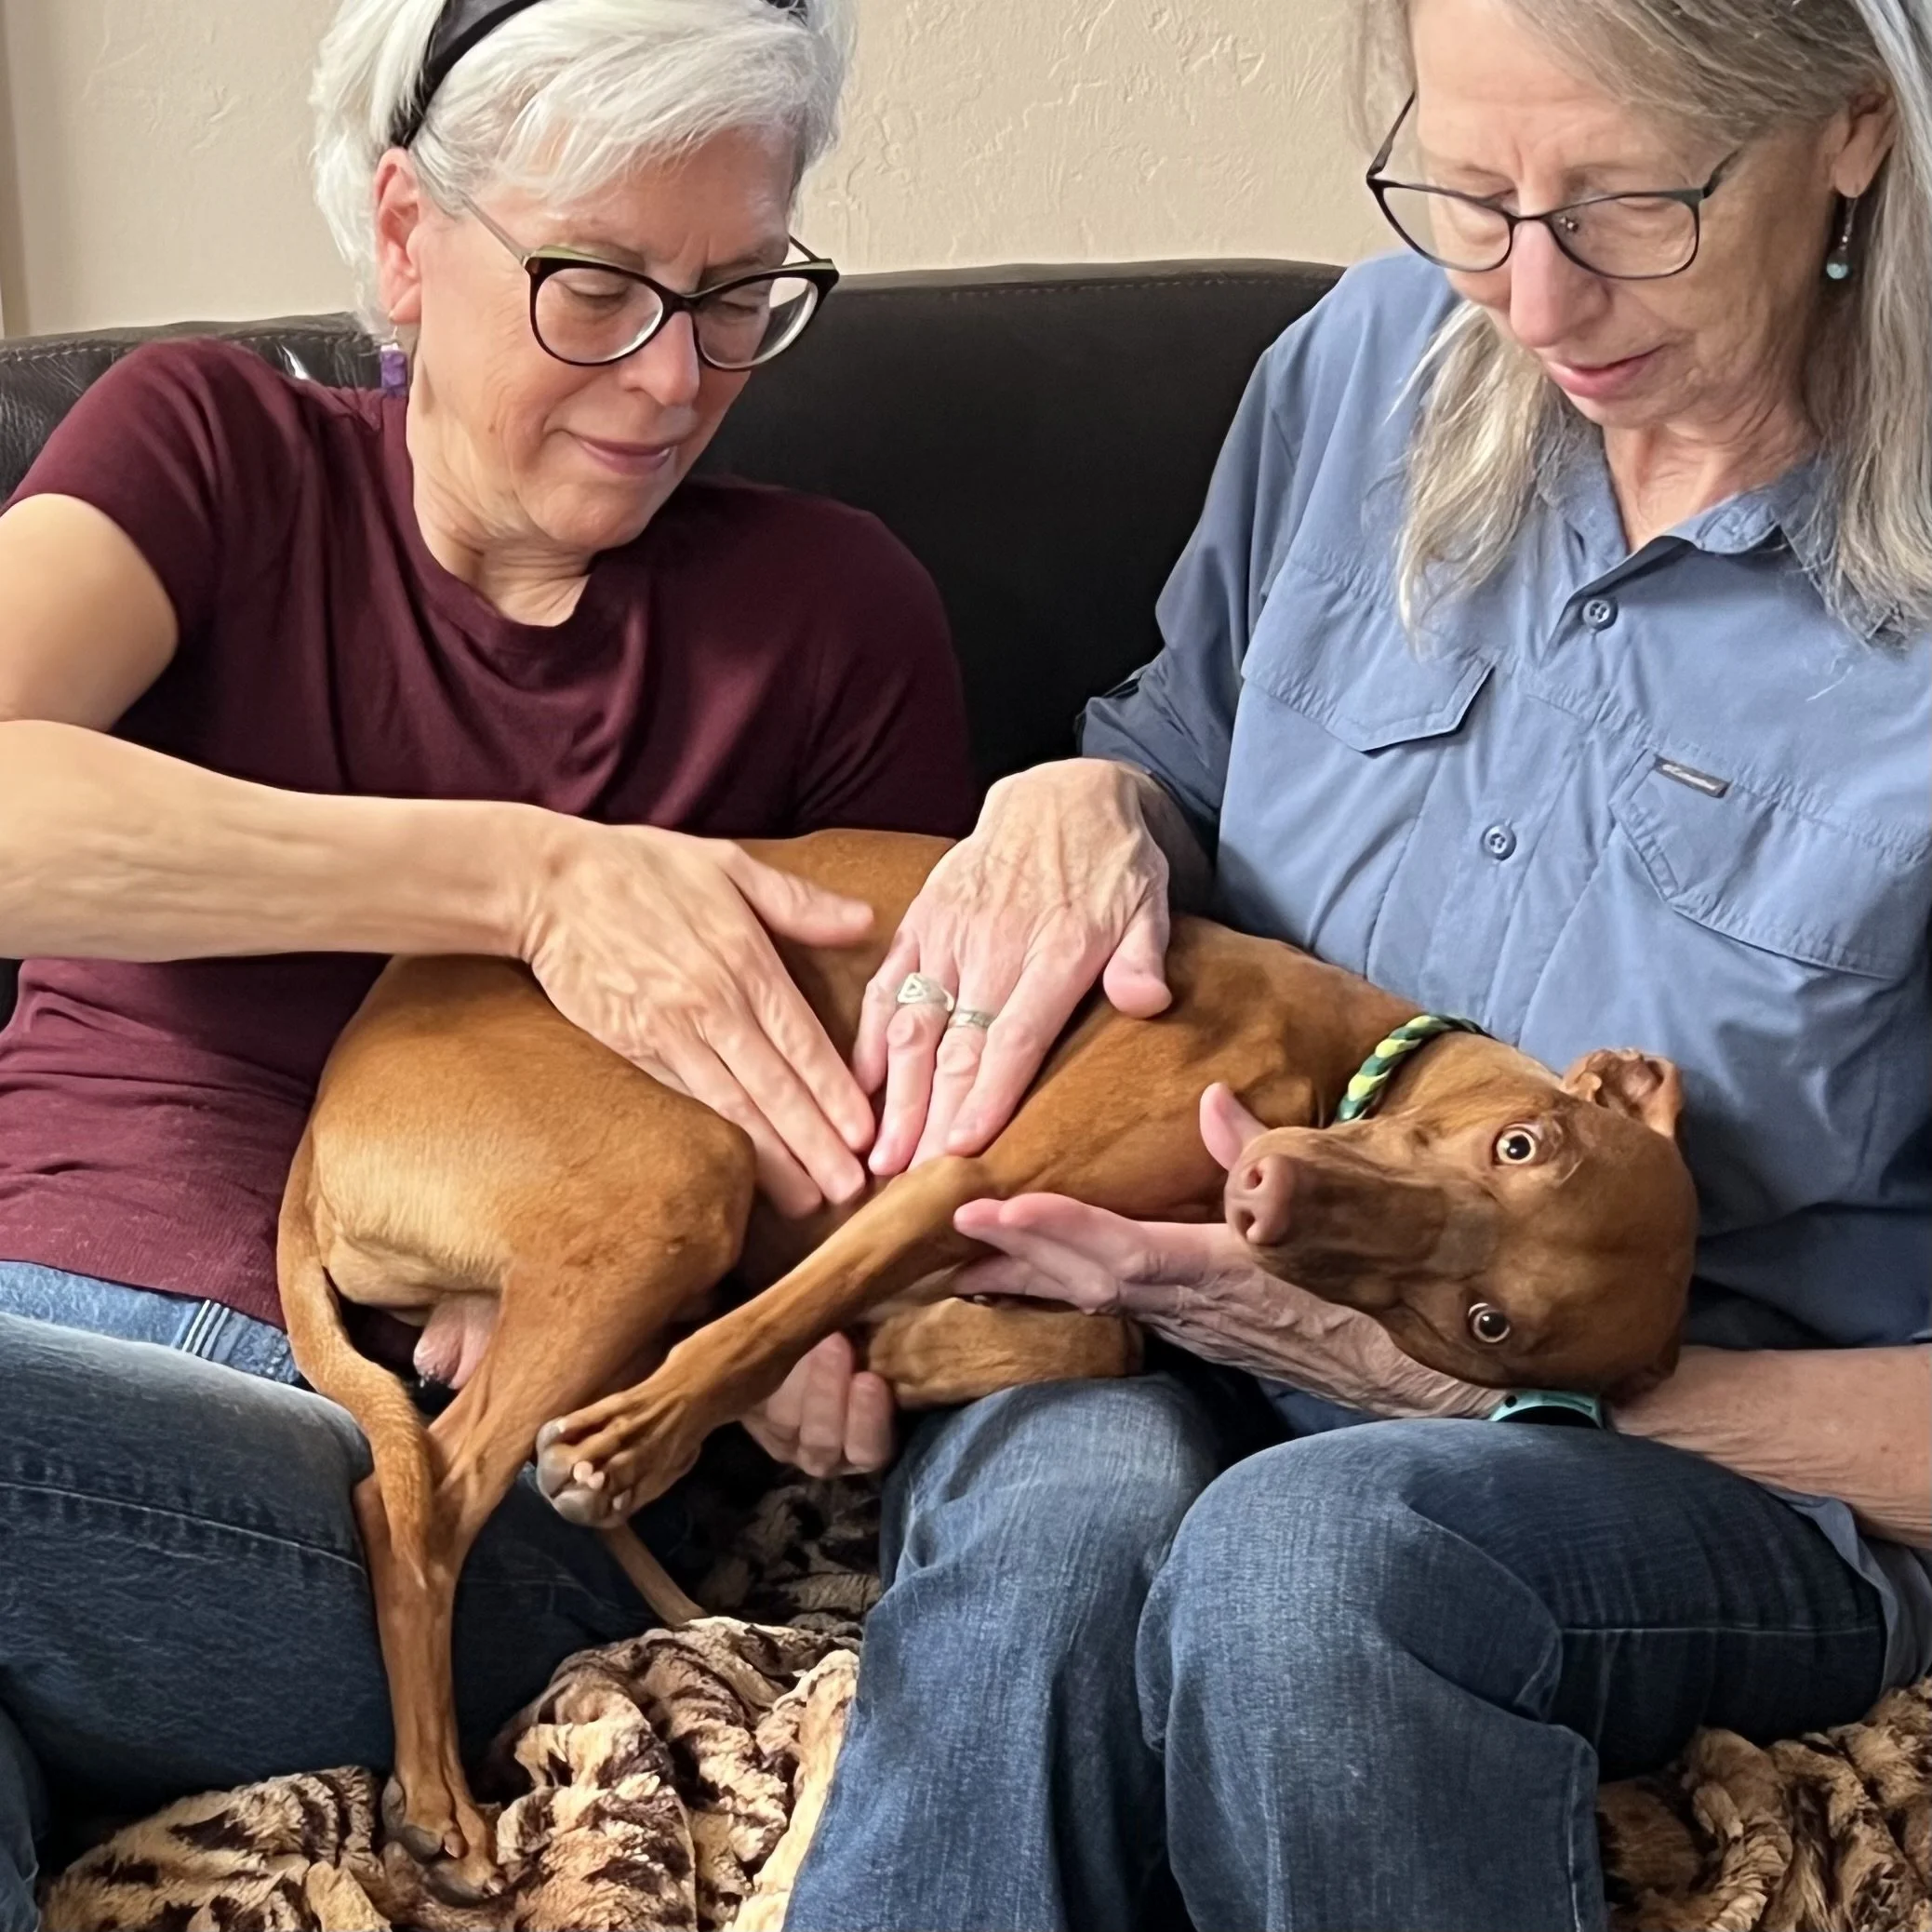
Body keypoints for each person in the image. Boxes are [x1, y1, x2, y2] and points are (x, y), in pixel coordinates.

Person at [782, 0, 1932, 1925]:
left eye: (1633, 203)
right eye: (1470, 196)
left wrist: (1515, 1399)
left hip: (1716, 1461)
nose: (1537, 298)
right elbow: (1177, 760)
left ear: (1852, 130)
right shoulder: (1369, 361)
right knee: (1061, 1537)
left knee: (1316, 1561)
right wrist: (1081, 799)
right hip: (1174, 1309)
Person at [0, 2, 969, 1925]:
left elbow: (895, 1162)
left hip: (422, 1485)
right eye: (597, 287)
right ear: (403, 237)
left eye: (738, 295)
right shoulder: (210, 450)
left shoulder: (829, 618)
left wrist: (778, 1346)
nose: (672, 377)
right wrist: (528, 882)